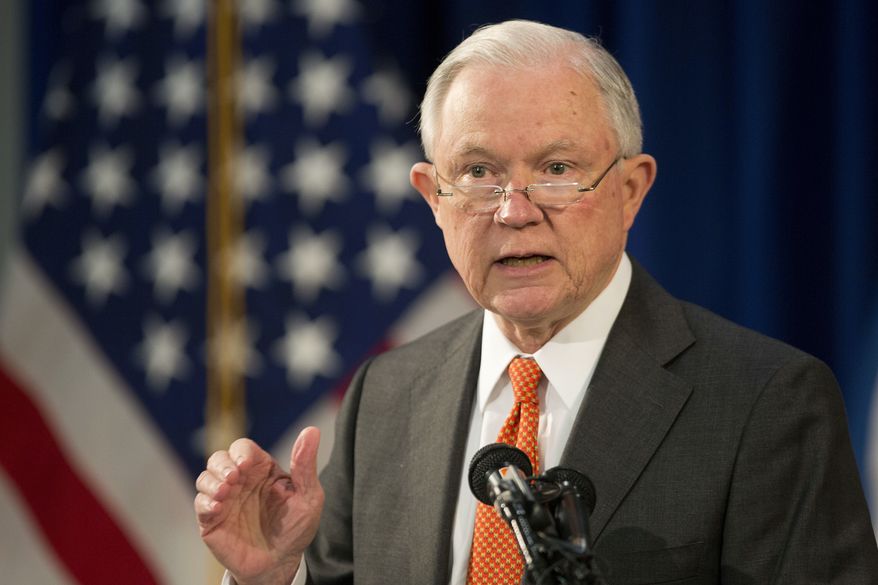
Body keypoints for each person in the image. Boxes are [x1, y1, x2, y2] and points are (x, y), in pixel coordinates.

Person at [194, 20, 878, 585]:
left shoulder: (768, 404)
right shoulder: (387, 396)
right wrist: (271, 576)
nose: (515, 210)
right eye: (479, 172)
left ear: (631, 189)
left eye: (556, 169)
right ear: (433, 197)